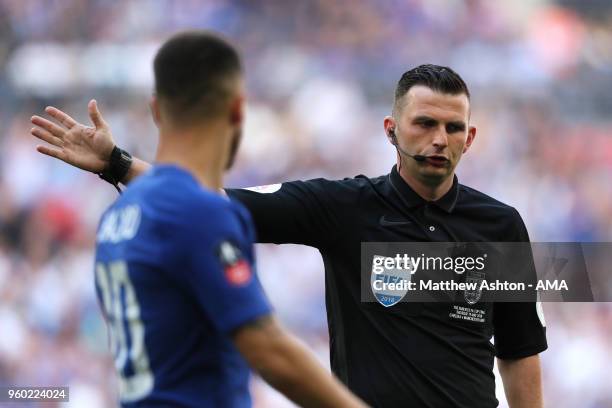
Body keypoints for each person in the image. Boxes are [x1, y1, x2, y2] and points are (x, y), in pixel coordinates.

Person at [31, 64, 546, 407]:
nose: (440, 139)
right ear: (391, 129)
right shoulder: (344, 207)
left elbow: (520, 350)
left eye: (454, 128)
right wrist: (117, 164)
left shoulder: (500, 225)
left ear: (470, 138)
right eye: (425, 123)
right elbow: (219, 202)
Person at [30, 31, 366, 408]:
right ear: (238, 111)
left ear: (156, 110)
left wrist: (118, 164)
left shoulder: (118, 215)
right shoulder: (201, 213)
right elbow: (270, 352)